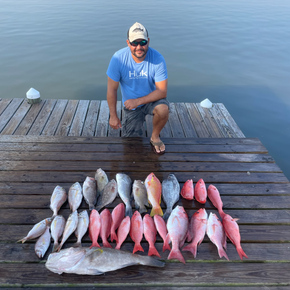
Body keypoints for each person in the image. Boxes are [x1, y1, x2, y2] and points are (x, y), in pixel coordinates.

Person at [106, 22, 169, 155]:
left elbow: (162, 91)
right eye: (135, 43)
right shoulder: (118, 58)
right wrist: (113, 115)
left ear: (148, 41)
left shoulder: (158, 59)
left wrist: (138, 101)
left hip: (152, 99)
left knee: (163, 109)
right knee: (131, 144)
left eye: (143, 42)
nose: (139, 47)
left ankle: (155, 136)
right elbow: (112, 89)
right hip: (131, 106)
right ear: (128, 43)